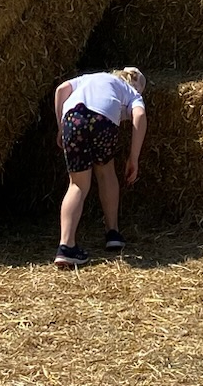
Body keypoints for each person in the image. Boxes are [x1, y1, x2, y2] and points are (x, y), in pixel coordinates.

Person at [52, 66, 148, 270]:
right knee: (106, 172)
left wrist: (61, 127)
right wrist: (134, 157)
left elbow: (61, 89)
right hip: (103, 122)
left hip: (73, 118)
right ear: (138, 86)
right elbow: (139, 116)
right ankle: (112, 232)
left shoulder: (92, 77)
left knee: (77, 185)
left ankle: (66, 247)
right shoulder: (131, 91)